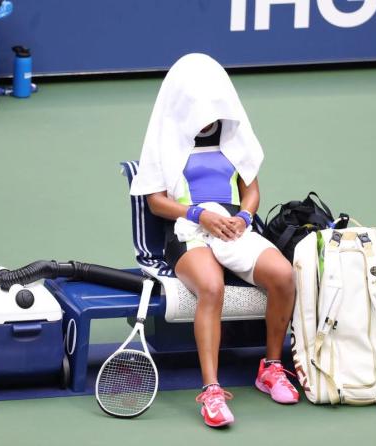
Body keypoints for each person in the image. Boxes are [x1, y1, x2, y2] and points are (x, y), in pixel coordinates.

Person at [130, 53, 298, 428]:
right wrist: (198, 214)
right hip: (187, 229)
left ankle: (270, 367)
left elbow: (251, 190)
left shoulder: (233, 131)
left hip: (233, 227)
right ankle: (211, 389)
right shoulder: (165, 136)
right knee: (211, 287)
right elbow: (156, 202)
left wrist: (243, 217)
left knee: (284, 276)